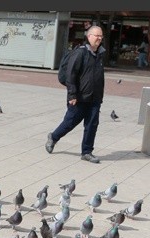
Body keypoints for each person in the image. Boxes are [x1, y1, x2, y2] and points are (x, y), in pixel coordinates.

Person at [45, 25, 106, 163]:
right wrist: (72, 95)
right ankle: (53, 137)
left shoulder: (100, 54)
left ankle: (87, 152)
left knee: (92, 125)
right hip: (79, 97)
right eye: (96, 35)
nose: (99, 38)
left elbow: (99, 78)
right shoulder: (80, 53)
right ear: (89, 36)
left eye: (101, 36)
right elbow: (70, 75)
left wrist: (100, 97)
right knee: (69, 123)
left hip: (94, 98)